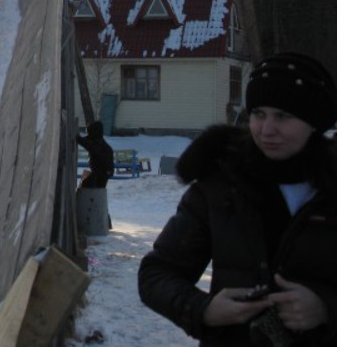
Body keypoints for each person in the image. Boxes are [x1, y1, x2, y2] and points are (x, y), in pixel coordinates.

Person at [138, 52, 337, 346]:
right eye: (258, 114)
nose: (267, 130)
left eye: (283, 116)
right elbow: (157, 274)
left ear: (314, 121)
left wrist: (327, 308)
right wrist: (203, 310)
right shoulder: (221, 183)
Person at [77, 120, 114, 189]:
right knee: (93, 187)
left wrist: (79, 139)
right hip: (102, 171)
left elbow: (89, 145)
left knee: (94, 189)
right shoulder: (98, 140)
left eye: (89, 132)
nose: (88, 134)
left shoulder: (98, 144)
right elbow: (88, 141)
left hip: (102, 172)